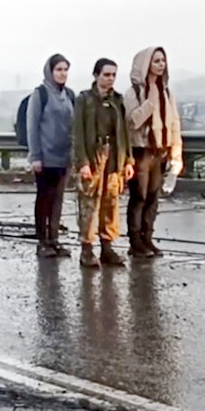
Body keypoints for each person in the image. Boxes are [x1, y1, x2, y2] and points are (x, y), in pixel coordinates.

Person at [72, 59, 135, 268]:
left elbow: (124, 132)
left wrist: (128, 160)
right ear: (96, 75)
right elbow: (78, 132)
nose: (110, 79)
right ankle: (87, 248)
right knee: (89, 202)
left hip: (114, 155)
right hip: (93, 154)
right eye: (106, 74)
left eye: (113, 75)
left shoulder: (117, 100)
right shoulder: (84, 100)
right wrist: (82, 162)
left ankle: (107, 247)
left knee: (111, 201)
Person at [123, 46, 183, 258]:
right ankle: (135, 241)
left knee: (152, 197)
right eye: (156, 61)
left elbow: (174, 123)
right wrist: (150, 102)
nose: (161, 65)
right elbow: (133, 122)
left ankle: (147, 237)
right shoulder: (133, 93)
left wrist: (176, 155)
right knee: (139, 197)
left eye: (162, 61)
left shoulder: (167, 92)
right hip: (141, 151)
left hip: (160, 151)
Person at [26, 54, 76, 258]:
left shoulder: (69, 95)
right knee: (44, 199)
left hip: (65, 157)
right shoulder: (40, 94)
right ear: (50, 71)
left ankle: (54, 239)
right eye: (58, 70)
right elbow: (32, 127)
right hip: (45, 158)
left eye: (65, 70)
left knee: (58, 200)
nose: (62, 74)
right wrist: (35, 156)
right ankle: (43, 241)